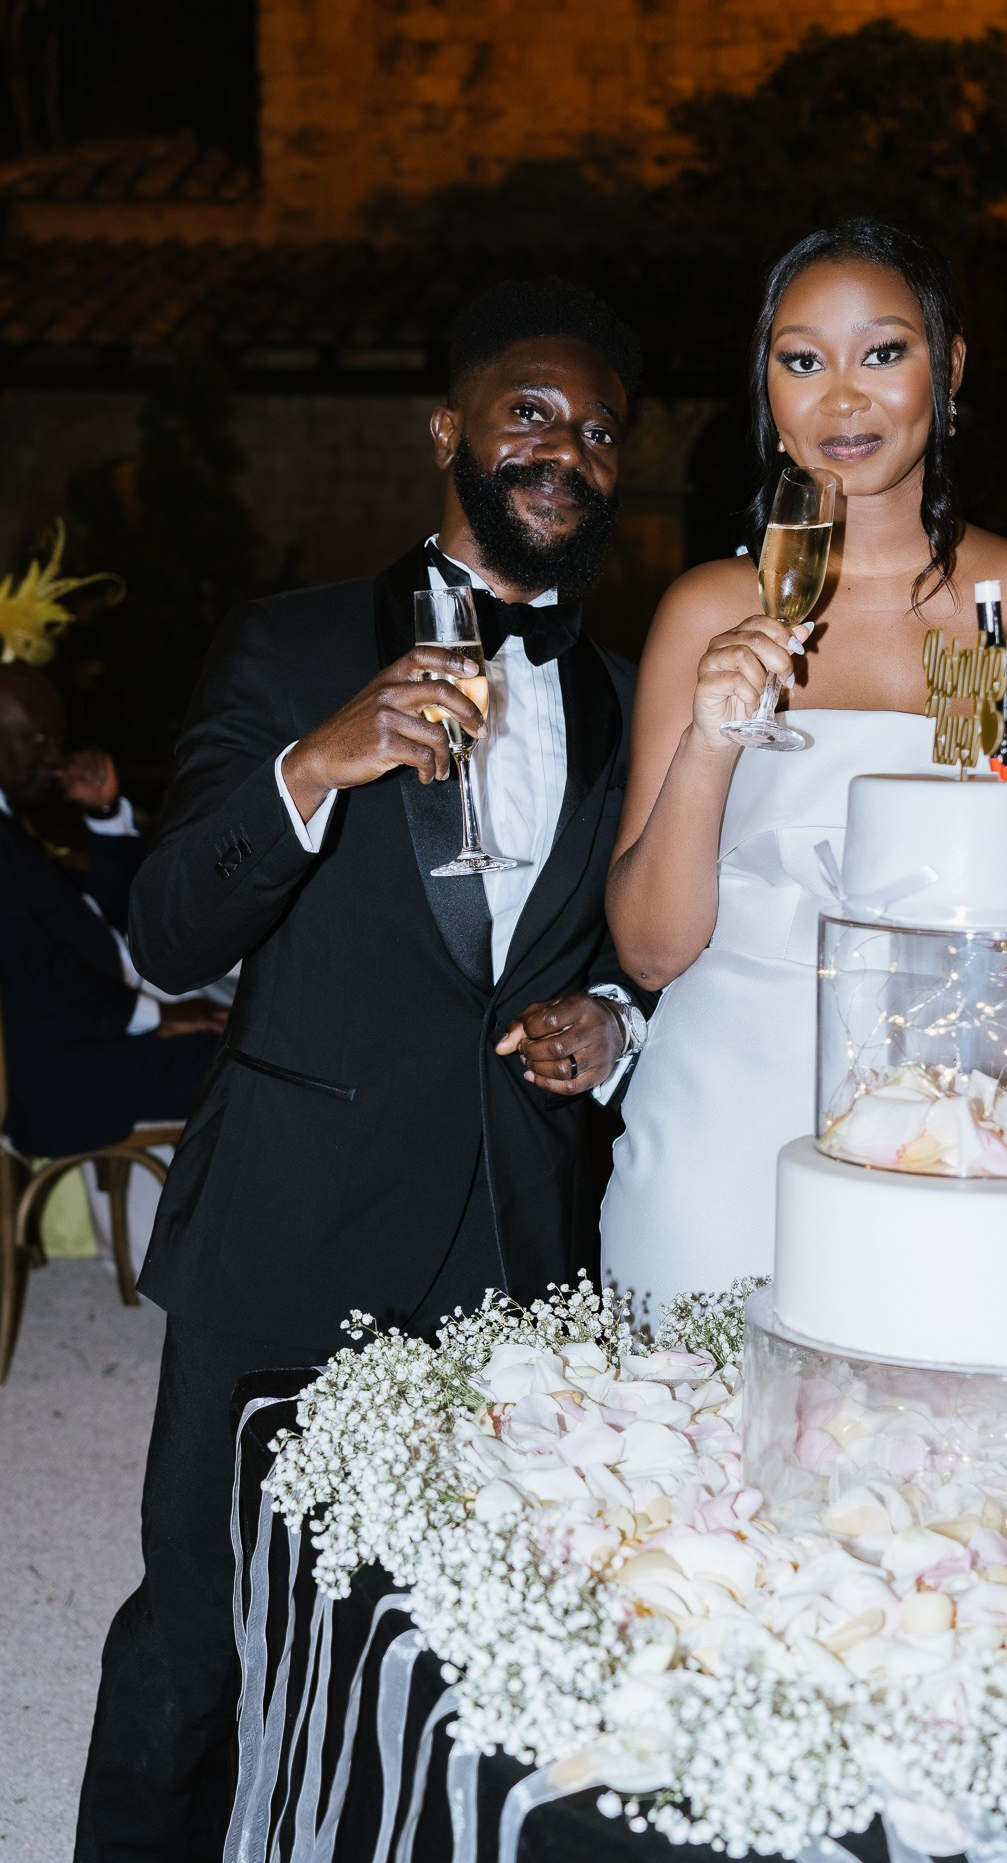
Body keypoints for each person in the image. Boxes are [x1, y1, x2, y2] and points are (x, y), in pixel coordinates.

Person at [76, 280, 651, 1862]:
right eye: (531, 414)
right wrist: (317, 763)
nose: (569, 451)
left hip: (513, 1240)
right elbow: (168, 935)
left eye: (603, 431)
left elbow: (634, 940)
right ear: (448, 430)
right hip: (293, 1222)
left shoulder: (619, 694)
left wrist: (612, 1021)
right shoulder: (293, 642)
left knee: (451, 1649)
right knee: (201, 1626)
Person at [600, 218, 1007, 1315]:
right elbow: (650, 952)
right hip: (720, 1130)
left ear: (952, 365)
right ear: (766, 388)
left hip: (961, 1130)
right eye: (802, 361)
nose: (842, 399)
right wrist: (710, 738)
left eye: (883, 352)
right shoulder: (707, 610)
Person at [0, 663, 224, 1158]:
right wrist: (154, 1016)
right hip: (70, 1078)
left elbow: (106, 917)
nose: (55, 757)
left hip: (89, 1042)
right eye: (38, 740)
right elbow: (33, 973)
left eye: (58, 740)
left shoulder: (11, 827)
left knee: (254, 1026)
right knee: (267, 1059)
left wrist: (103, 814)